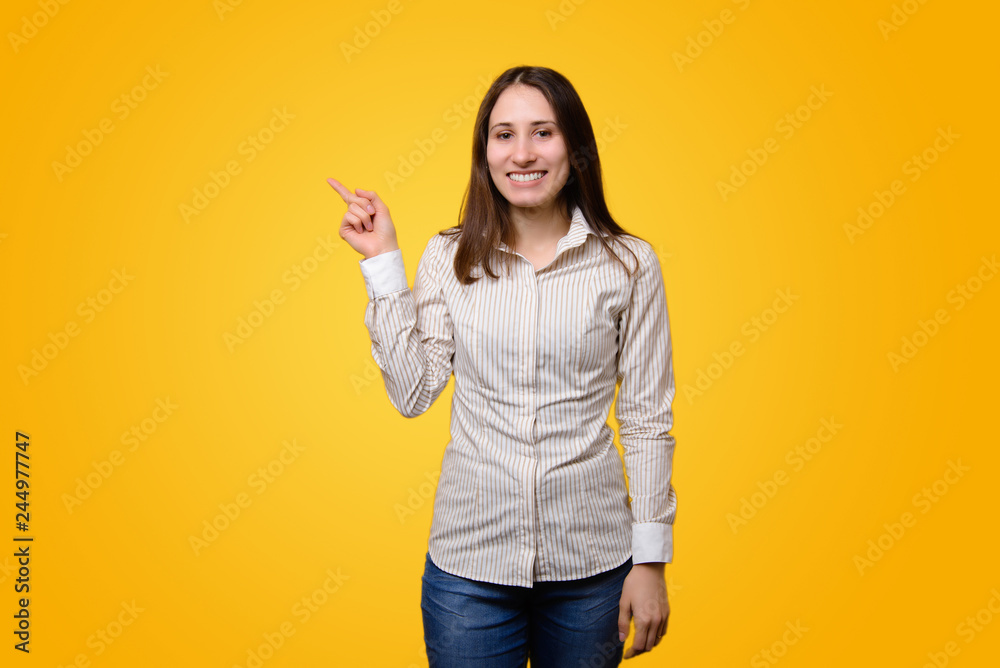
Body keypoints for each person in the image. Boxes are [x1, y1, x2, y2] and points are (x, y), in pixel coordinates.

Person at [329, 65, 677, 667]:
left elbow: (647, 420)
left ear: (576, 147)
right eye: (503, 134)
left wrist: (650, 562)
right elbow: (413, 392)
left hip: (592, 570)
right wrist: (384, 264)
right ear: (484, 151)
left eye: (543, 133)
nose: (522, 153)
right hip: (470, 570)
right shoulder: (449, 256)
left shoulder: (629, 264)